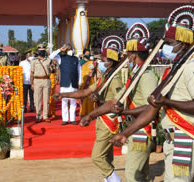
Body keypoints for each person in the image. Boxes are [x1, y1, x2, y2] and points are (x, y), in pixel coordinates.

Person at [110, 5, 194, 181]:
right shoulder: (172, 70)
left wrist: (167, 102)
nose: (165, 46)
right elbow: (151, 110)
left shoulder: (192, 68)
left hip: (185, 140)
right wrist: (125, 133)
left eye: (169, 43)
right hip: (171, 141)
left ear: (183, 43)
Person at [82, 23, 158, 182]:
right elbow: (114, 102)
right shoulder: (135, 75)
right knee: (140, 176)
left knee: (132, 176)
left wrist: (124, 112)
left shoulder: (147, 76)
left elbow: (151, 107)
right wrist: (91, 115)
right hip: (133, 129)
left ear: (133, 56)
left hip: (141, 130)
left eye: (128, 54)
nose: (126, 58)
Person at [53, 38, 124, 182]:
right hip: (101, 119)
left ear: (110, 62)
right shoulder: (104, 77)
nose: (100, 62)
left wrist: (96, 106)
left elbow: (116, 103)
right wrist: (62, 94)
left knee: (97, 157)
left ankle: (115, 180)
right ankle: (108, 179)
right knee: (106, 156)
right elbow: (85, 92)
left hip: (109, 120)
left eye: (103, 60)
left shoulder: (115, 79)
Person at [50, 43, 81, 125]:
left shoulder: (76, 59)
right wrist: (60, 50)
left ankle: (72, 119)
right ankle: (65, 119)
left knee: (73, 102)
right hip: (65, 83)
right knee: (64, 101)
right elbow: (50, 57)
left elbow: (79, 71)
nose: (69, 50)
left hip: (74, 83)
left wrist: (80, 81)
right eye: (67, 49)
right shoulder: (60, 58)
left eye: (70, 49)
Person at [30, 44, 52, 123]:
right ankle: (38, 115)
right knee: (37, 99)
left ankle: (45, 116)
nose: (42, 52)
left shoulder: (49, 60)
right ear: (38, 51)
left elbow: (53, 70)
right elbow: (32, 73)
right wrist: (31, 83)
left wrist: (52, 69)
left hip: (46, 80)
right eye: (40, 50)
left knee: (46, 99)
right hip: (37, 80)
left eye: (43, 50)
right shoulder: (34, 61)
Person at [79, 49, 97, 117]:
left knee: (90, 98)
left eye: (89, 53)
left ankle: (91, 113)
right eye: (86, 53)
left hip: (91, 82)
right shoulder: (80, 62)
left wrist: (95, 83)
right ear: (83, 54)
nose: (88, 54)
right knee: (83, 97)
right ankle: (83, 113)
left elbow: (94, 74)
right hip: (83, 82)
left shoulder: (92, 63)